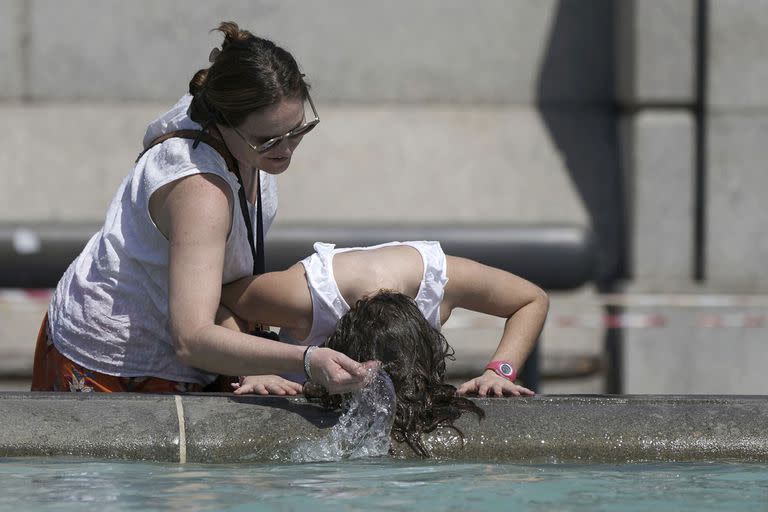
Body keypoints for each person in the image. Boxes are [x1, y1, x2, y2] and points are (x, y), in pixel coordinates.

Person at [31, 22, 374, 395]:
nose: (286, 148)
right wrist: (306, 359)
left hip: (178, 332)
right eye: (268, 139)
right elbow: (192, 339)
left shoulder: (231, 129)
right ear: (224, 121)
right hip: (109, 359)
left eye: (298, 130)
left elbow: (219, 286)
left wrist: (258, 359)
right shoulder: (201, 192)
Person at [219, 241, 548, 456]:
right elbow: (218, 302)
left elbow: (531, 299)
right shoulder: (302, 297)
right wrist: (252, 368)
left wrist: (500, 371)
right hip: (296, 381)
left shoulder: (441, 281)